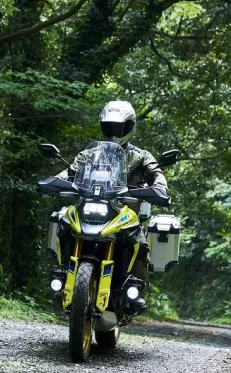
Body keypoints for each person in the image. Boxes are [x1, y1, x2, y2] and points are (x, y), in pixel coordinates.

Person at [54, 100, 168, 310]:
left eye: (118, 127)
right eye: (109, 126)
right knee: (63, 223)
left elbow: (157, 174)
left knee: (140, 245)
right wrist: (55, 180)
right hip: (92, 204)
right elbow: (70, 171)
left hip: (126, 211)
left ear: (129, 126)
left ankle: (136, 290)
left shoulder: (141, 156)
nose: (114, 131)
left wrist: (160, 188)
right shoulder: (91, 153)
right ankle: (62, 276)